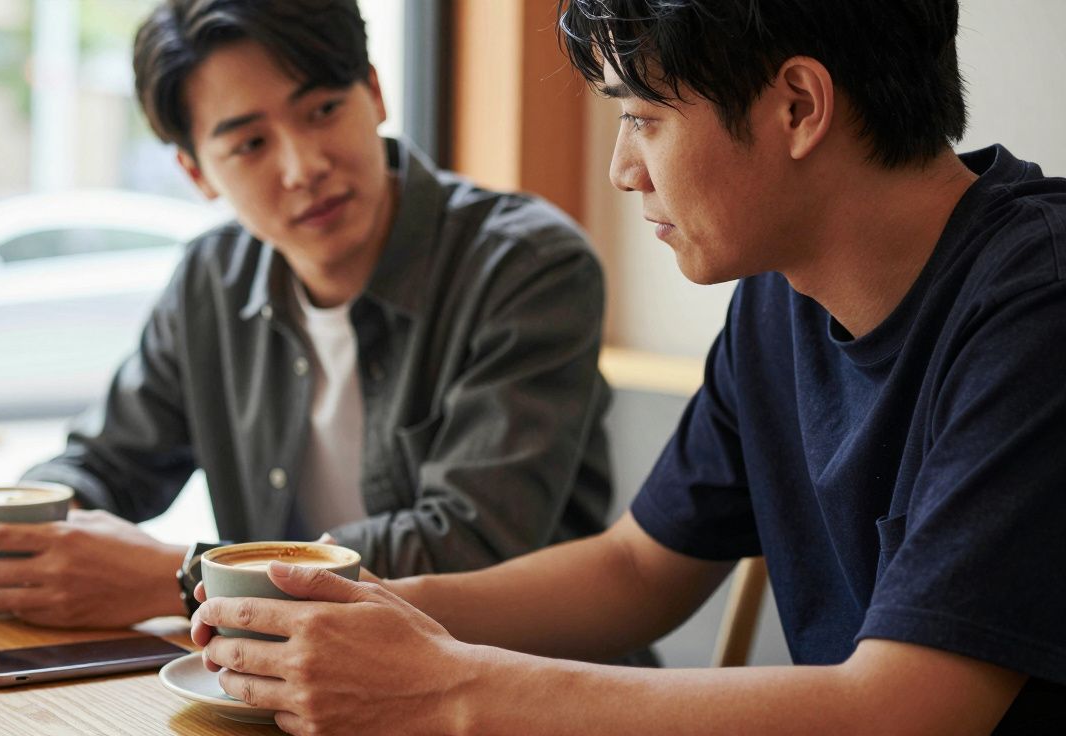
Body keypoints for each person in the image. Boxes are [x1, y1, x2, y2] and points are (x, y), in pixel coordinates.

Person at [187, 0, 1066, 733]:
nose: (621, 170)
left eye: (642, 117)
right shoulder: (781, 295)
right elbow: (636, 571)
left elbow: (911, 711)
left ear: (798, 106)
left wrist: (446, 686)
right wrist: (361, 609)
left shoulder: (1038, 304)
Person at [0, 0, 618, 633]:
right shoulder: (211, 281)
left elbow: (468, 540)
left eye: (321, 111)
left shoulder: (525, 265)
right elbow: (110, 462)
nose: (303, 166)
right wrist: (1, 531)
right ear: (197, 172)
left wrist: (189, 576)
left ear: (373, 93)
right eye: (250, 144)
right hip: (286, 685)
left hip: (516, 680)